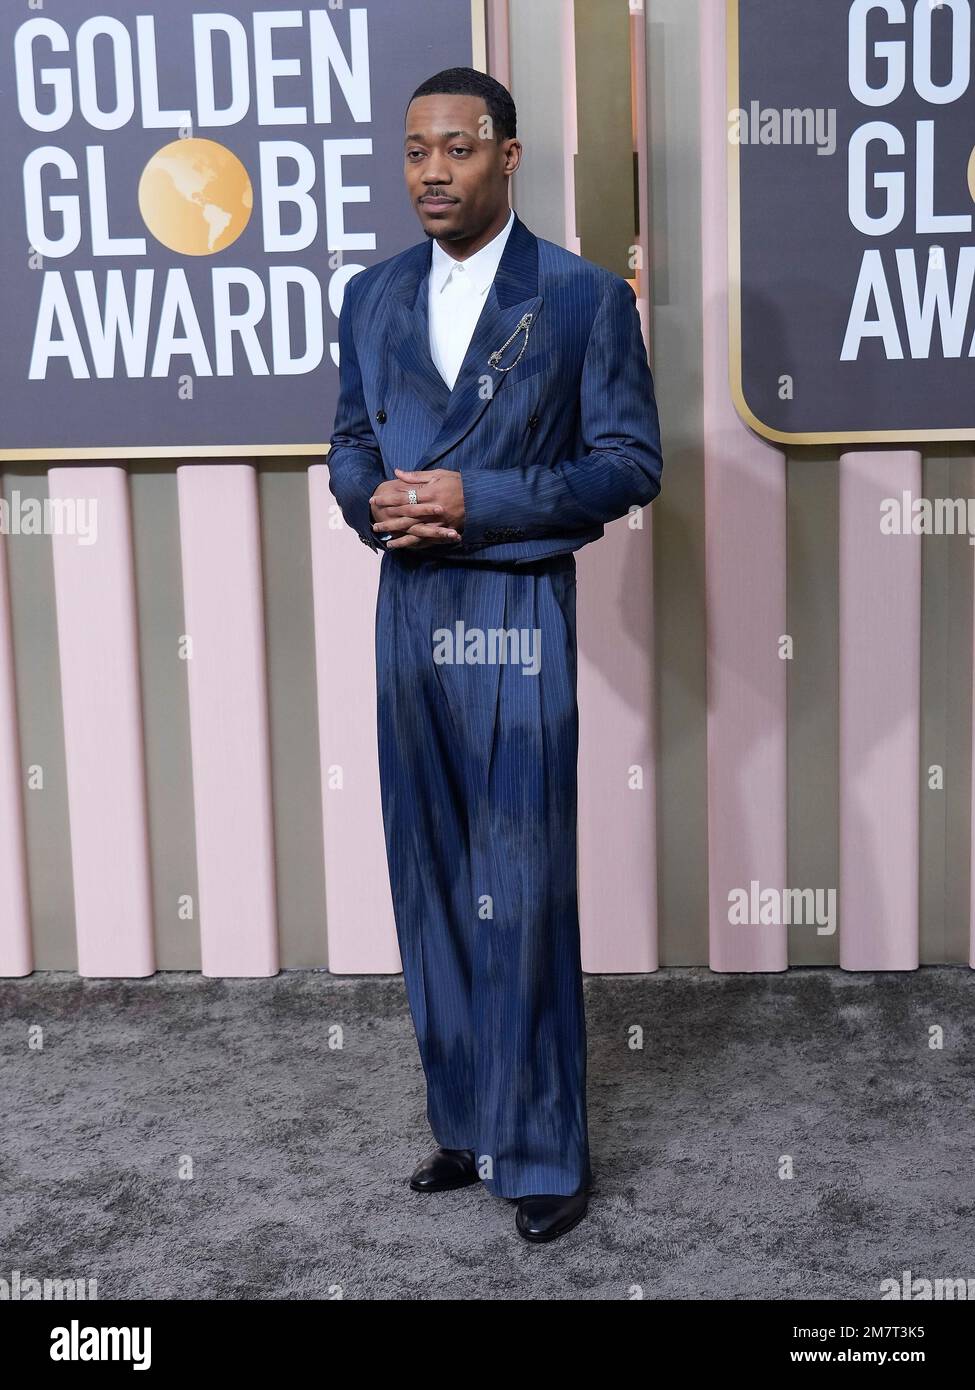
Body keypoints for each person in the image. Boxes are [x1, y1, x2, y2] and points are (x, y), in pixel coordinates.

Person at [326, 66, 663, 1243]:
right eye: (415, 149)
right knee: (427, 874)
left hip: (516, 610)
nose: (432, 170)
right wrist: (377, 502)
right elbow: (349, 443)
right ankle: (468, 1120)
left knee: (519, 884)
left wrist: (480, 499)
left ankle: (545, 1146)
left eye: (458, 148)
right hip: (407, 607)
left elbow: (629, 463)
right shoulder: (369, 296)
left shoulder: (579, 299)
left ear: (508, 156)